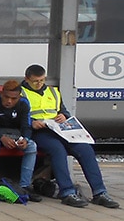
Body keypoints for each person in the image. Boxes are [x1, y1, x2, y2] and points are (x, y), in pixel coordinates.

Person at [22, 64, 118, 208]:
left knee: (85, 149)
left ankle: (100, 192)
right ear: (27, 79)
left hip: (59, 128)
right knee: (57, 150)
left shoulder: (53, 92)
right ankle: (67, 192)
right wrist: (32, 122)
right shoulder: (21, 93)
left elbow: (63, 110)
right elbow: (15, 116)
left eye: (42, 80)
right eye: (36, 81)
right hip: (39, 131)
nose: (39, 84)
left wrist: (63, 116)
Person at [0, 80, 41, 202]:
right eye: (6, 97)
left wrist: (25, 139)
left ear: (19, 96)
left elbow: (26, 126)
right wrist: (1, 138)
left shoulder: (24, 103)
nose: (9, 101)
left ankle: (25, 186)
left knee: (32, 146)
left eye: (13, 98)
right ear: (1, 93)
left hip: (15, 134)